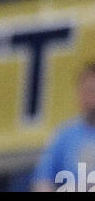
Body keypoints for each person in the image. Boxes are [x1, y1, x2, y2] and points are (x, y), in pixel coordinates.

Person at [32, 63, 95, 191]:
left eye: (92, 91)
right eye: (84, 91)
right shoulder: (65, 135)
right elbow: (42, 181)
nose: (88, 98)